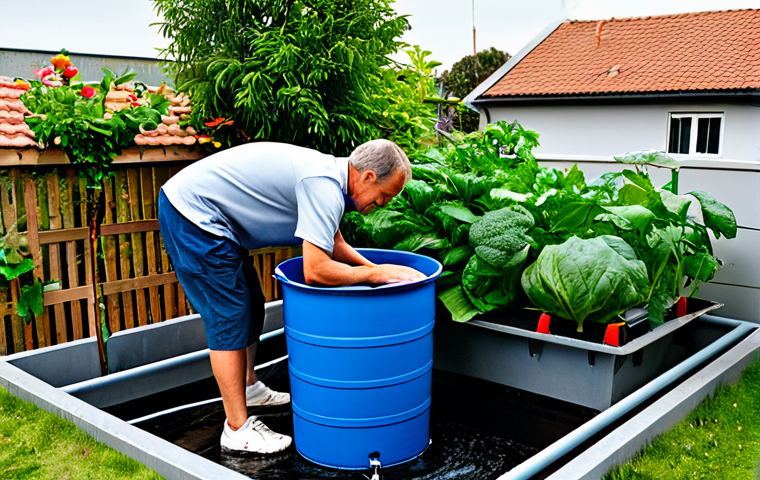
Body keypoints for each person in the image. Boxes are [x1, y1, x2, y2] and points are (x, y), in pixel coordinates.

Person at [158, 140, 426, 454]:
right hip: (193, 216)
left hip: (207, 214)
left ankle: (250, 388)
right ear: (367, 177)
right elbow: (315, 270)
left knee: (251, 304)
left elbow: (332, 241)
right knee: (228, 315)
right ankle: (236, 430)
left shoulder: (332, 180)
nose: (382, 204)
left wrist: (377, 268)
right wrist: (374, 276)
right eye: (385, 195)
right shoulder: (324, 185)